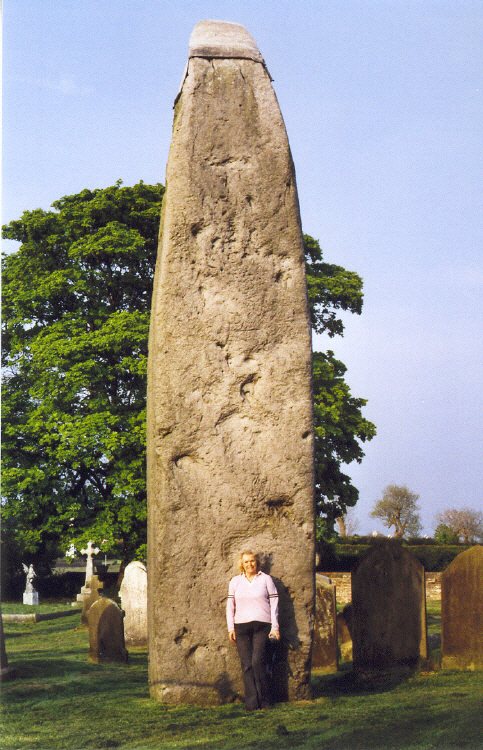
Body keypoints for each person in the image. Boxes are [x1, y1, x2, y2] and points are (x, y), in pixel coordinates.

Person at [226, 550, 280, 710]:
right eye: (246, 562)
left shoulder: (266, 579)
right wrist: (231, 627)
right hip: (241, 626)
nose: (249, 564)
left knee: (257, 662)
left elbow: (274, 604)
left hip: (262, 626)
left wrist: (275, 627)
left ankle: (265, 700)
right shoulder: (235, 582)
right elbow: (230, 606)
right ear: (241, 565)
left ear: (257, 562)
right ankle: (251, 702)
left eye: (252, 561)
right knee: (247, 664)